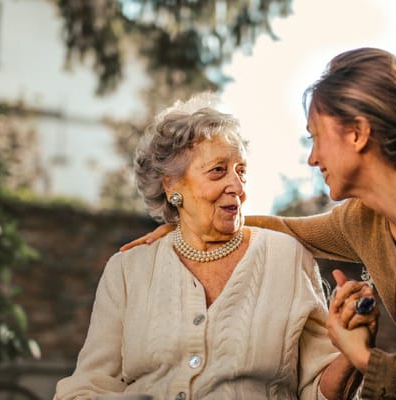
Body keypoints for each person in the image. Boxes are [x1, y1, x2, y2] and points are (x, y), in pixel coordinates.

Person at [121, 48, 396, 399]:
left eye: (316, 137)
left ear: (358, 134)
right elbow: (288, 227)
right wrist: (191, 222)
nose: (313, 158)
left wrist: (364, 358)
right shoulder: (364, 221)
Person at [54, 94, 374, 399]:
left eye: (242, 171)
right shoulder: (127, 270)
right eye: (218, 171)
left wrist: (351, 353)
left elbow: (319, 391)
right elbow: (89, 385)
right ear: (172, 186)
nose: (237, 187)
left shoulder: (287, 258)